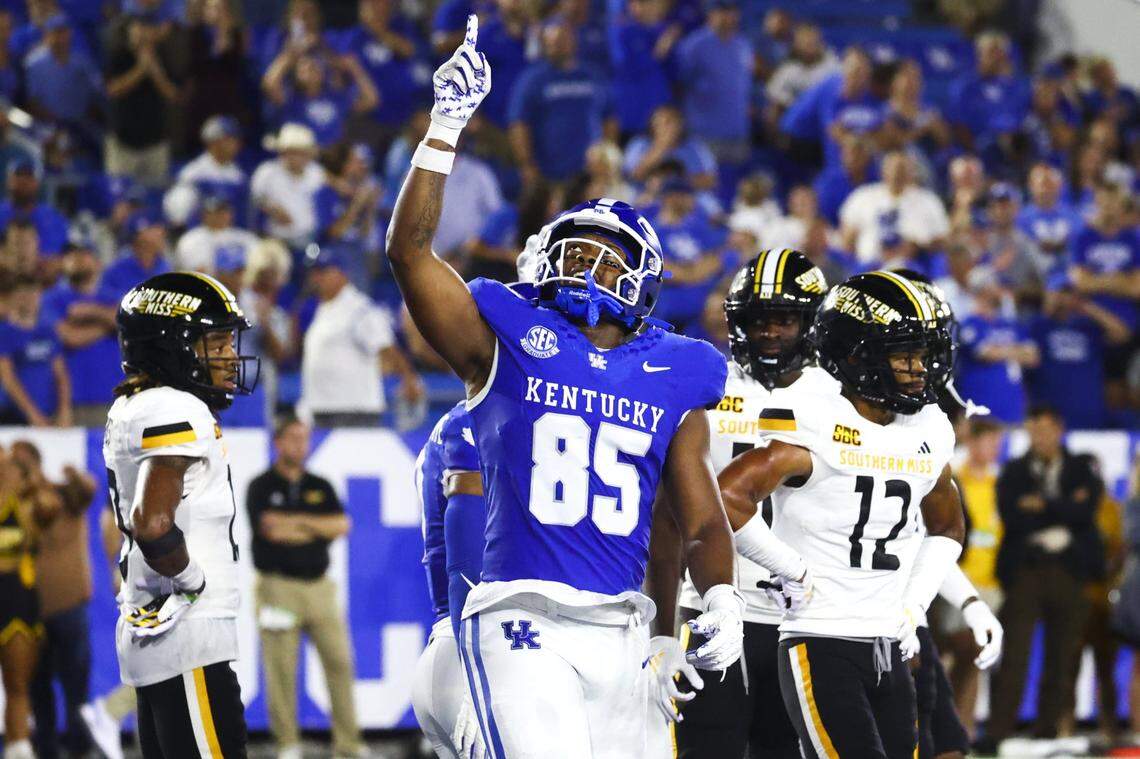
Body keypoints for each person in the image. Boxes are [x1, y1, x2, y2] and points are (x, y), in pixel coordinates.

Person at [386, 17, 743, 755]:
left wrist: (722, 599)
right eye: (575, 250)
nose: (588, 268)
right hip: (521, 619)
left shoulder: (676, 370)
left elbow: (698, 519)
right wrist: (444, 128)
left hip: (621, 630)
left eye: (610, 259)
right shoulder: (508, 340)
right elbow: (410, 253)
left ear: (643, 283)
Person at [714, 271, 965, 758]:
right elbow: (725, 498)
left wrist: (912, 607)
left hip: (887, 644)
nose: (920, 368)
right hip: (820, 637)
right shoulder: (815, 419)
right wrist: (790, 567)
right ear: (857, 354)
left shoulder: (928, 427)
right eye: (904, 354)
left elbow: (948, 525)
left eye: (922, 353)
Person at [644, 249, 828, 758]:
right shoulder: (704, 385)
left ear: (810, 323)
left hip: (805, 618)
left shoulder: (840, 402)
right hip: (709, 603)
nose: (769, 332)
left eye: (784, 319)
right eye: (757, 319)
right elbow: (670, 517)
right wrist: (660, 628)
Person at [106, 271, 259, 758]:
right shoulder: (176, 407)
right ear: (173, 346)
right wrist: (192, 580)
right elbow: (152, 521)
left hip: (157, 636)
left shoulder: (135, 405)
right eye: (215, 342)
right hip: (186, 637)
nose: (230, 355)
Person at [982, 405, 1106, 751]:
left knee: (1063, 655)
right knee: (1015, 655)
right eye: (1034, 430)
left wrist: (1041, 504)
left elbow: (1087, 511)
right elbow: (1013, 517)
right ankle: (998, 733)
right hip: (1026, 570)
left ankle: (1048, 731)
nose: (1041, 437)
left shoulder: (1083, 466)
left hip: (1070, 569)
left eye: (1047, 429)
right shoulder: (1015, 470)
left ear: (1059, 429)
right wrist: (1065, 506)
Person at [246, 416, 362, 759]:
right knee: (281, 669)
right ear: (277, 442)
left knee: (340, 662)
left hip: (320, 589)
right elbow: (270, 530)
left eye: (304, 438)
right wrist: (314, 527)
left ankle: (349, 745)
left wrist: (294, 522)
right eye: (292, 438)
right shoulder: (261, 486)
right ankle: (287, 744)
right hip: (277, 587)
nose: (299, 445)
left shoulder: (320, 485)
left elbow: (341, 525)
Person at [411, 400, 485, 758]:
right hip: (475, 647)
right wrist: (477, 675)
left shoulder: (446, 426)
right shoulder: (478, 421)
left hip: (444, 643)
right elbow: (466, 562)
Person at [299, 245, 422, 427]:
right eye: (314, 272)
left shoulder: (358, 308)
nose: (316, 277)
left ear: (341, 274)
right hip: (323, 410)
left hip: (354, 412)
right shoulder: (323, 308)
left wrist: (408, 379)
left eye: (323, 271)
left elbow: (386, 347)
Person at [26, 442, 97, 759]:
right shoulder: (12, 503)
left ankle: (80, 748)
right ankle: (48, 750)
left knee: (75, 687)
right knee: (38, 689)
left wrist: (75, 477)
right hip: (31, 612)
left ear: (38, 464)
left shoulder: (65, 493)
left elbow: (89, 488)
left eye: (23, 463)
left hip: (70, 607)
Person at [508, 17, 617, 185]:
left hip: (590, 174)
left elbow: (610, 117)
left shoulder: (593, 75)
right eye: (552, 42)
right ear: (544, 45)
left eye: (562, 40)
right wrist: (527, 164)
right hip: (549, 172)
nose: (557, 46)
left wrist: (607, 154)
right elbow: (519, 124)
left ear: (573, 41)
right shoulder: (532, 80)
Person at [0, 444, 52, 759]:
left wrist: (35, 480)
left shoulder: (29, 504)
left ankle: (18, 749)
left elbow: (51, 507)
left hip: (17, 601)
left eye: (9, 467)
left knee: (17, 684)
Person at [102, 7, 184, 186]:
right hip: (122, 142)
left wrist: (154, 70)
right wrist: (140, 70)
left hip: (155, 141)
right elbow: (112, 90)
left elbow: (173, 94)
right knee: (120, 197)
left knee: (154, 196)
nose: (142, 33)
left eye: (146, 28)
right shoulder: (119, 55)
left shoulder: (163, 57)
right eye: (137, 28)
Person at [0, 276, 71, 427]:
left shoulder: (48, 332)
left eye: (33, 294)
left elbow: (60, 375)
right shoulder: (4, 333)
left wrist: (64, 410)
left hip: (49, 415)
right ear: (13, 298)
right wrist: (32, 414)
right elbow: (8, 378)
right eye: (23, 295)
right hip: (13, 416)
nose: (29, 300)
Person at [251, 123, 326, 249]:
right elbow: (254, 198)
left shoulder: (316, 173)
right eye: (293, 152)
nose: (298, 157)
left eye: (303, 152)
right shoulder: (267, 171)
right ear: (283, 152)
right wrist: (271, 208)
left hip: (309, 238)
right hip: (275, 239)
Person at [173, 194, 259, 275]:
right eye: (216, 212)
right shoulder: (191, 239)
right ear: (204, 214)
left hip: (244, 287)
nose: (221, 216)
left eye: (224, 211)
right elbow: (199, 272)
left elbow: (258, 266)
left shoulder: (245, 237)